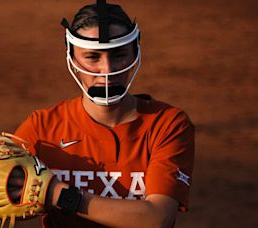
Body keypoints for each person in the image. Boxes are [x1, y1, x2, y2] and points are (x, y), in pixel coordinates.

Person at [13, 0, 195, 227]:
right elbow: (0, 191)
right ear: (72, 58)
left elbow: (157, 219)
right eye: (92, 57)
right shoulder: (42, 129)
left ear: (135, 54)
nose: (107, 70)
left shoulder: (168, 125)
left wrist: (57, 194)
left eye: (118, 55)